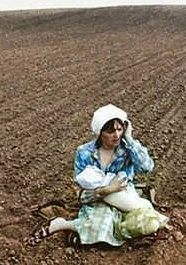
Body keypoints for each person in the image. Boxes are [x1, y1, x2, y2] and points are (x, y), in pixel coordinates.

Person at [33, 104, 167, 246]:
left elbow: (147, 167)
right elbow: (80, 193)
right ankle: (64, 225)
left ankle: (82, 229)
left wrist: (130, 140)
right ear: (100, 132)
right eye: (110, 131)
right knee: (103, 224)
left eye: (120, 129)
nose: (116, 135)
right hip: (97, 198)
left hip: (124, 196)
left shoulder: (127, 149)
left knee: (150, 222)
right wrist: (107, 190)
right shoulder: (85, 153)